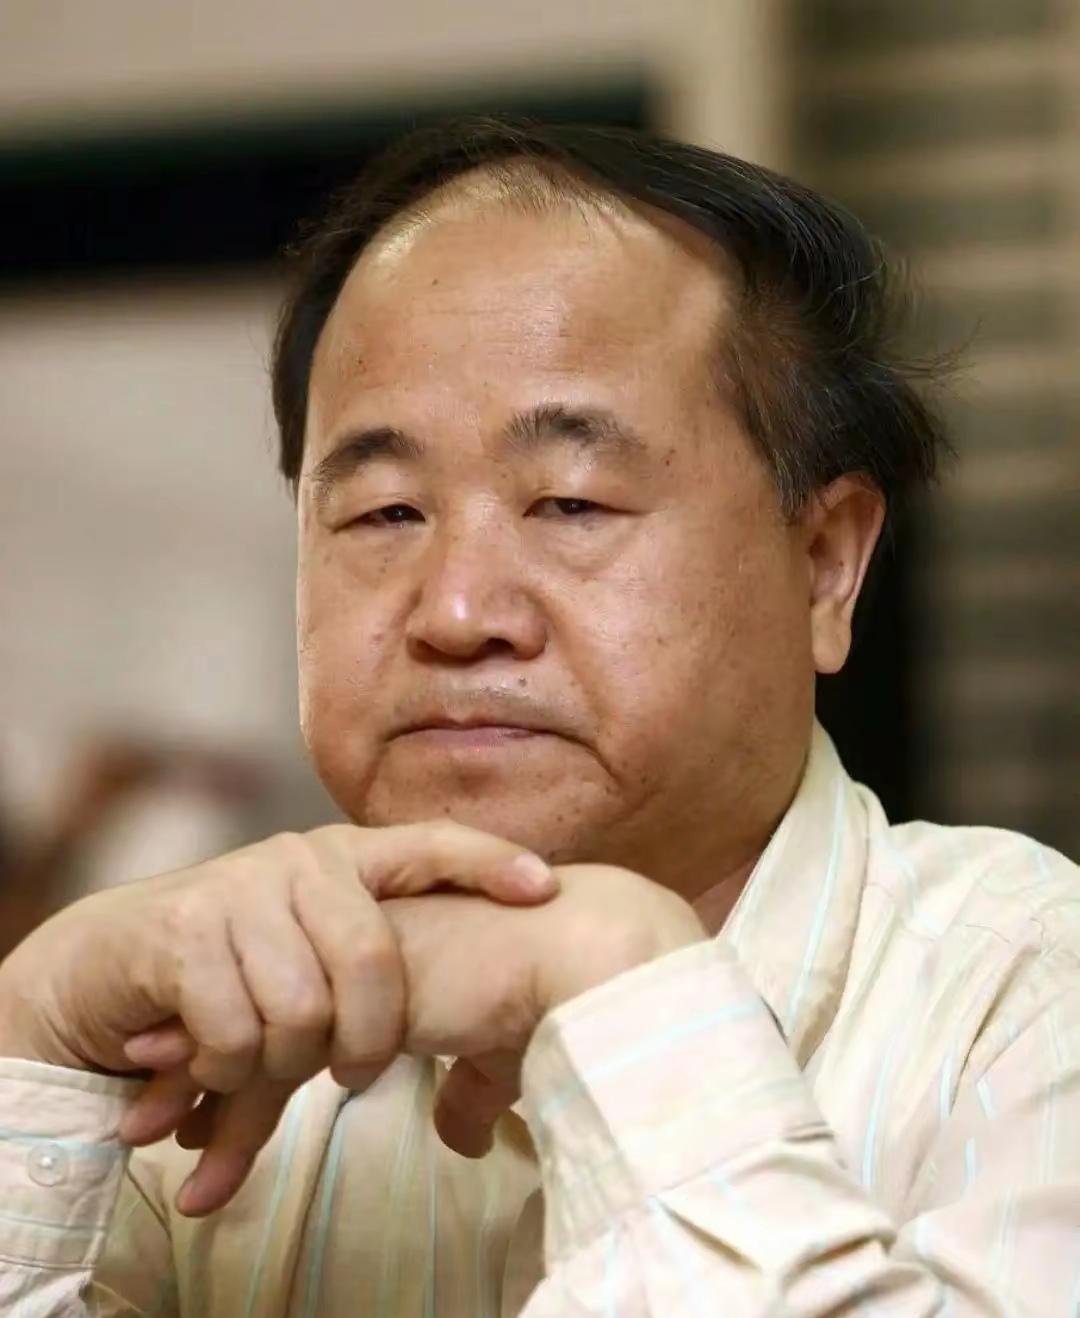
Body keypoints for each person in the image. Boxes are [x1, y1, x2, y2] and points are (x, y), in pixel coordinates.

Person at [0, 118, 1075, 1317]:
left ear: (824, 563)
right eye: (386, 512)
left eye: (569, 502)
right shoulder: (206, 1062)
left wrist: (619, 984)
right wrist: (31, 1026)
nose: (458, 612)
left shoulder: (1026, 996)